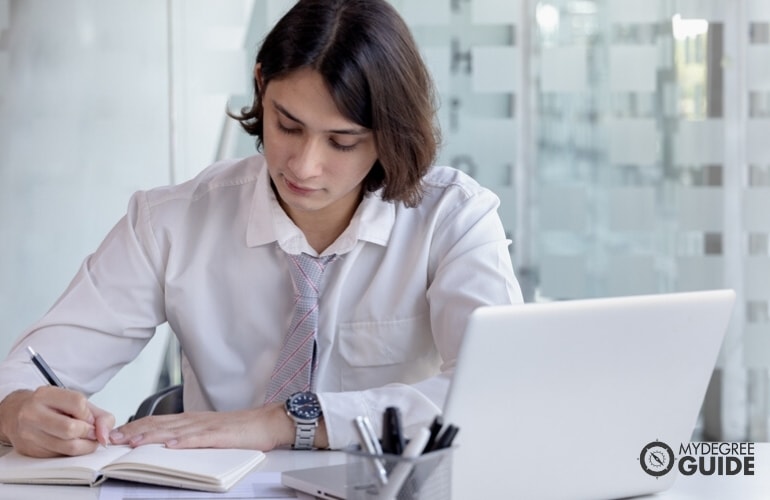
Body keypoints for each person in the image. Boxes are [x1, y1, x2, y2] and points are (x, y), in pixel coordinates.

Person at [0, 0, 522, 458]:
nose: (304, 165)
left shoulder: (452, 219)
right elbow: (27, 375)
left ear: (388, 136)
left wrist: (285, 421)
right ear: (259, 86)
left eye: (341, 142)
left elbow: (500, 392)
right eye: (287, 125)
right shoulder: (170, 222)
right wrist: (20, 411)